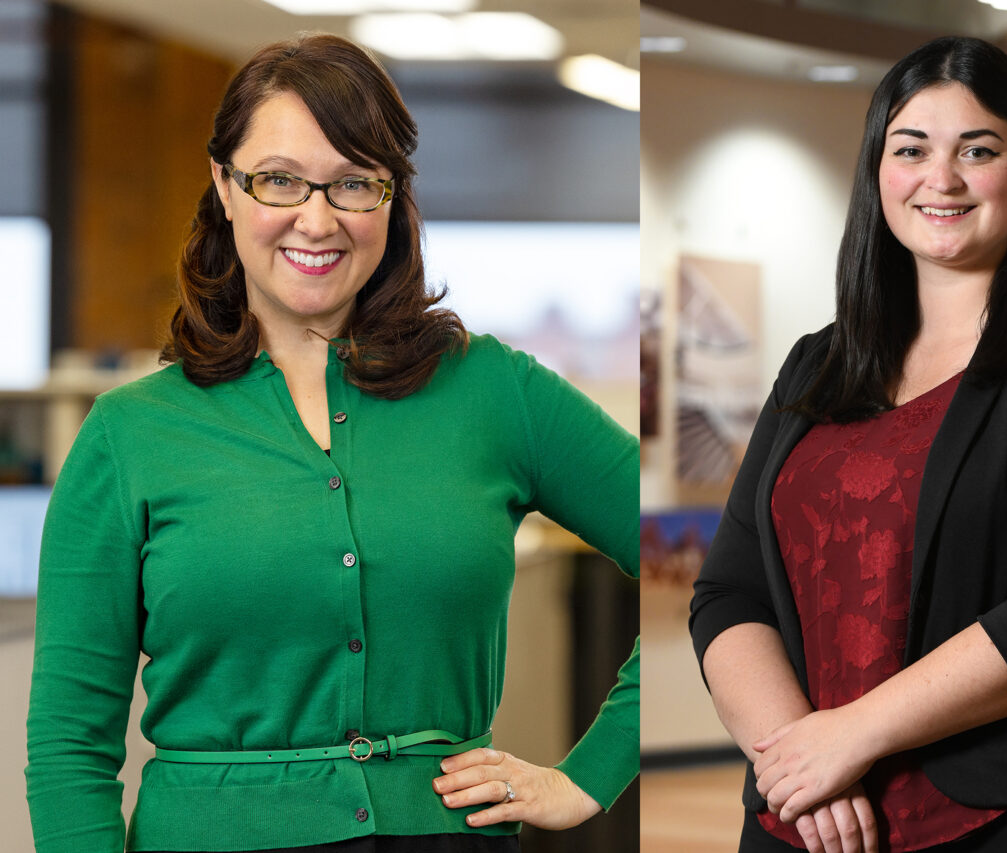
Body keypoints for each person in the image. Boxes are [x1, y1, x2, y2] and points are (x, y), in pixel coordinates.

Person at [26, 34, 638, 853]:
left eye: (353, 183)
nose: (316, 219)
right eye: (279, 179)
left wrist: (590, 774)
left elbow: (704, 553)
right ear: (225, 186)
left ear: (391, 196)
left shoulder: (497, 392)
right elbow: (69, 740)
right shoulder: (129, 434)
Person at [689, 36, 1007, 853]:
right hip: (810, 813)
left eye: (977, 150)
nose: (940, 179)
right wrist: (793, 759)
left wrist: (852, 734)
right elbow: (730, 592)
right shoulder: (817, 363)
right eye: (911, 149)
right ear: (879, 171)